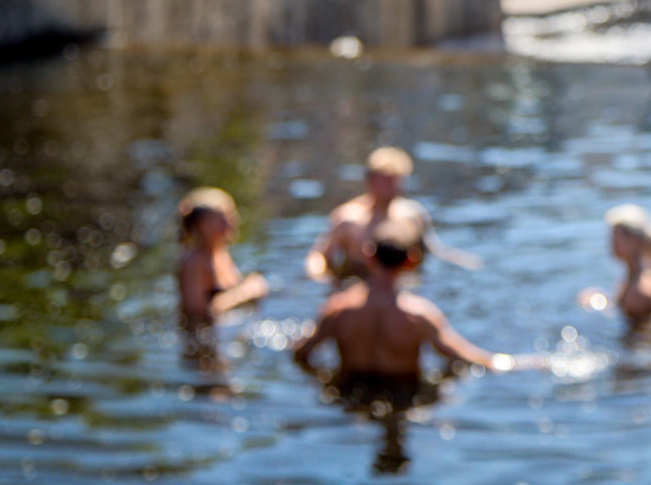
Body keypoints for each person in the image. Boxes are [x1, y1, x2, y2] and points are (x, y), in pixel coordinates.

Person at [292, 218, 504, 399]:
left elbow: (301, 353)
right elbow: (468, 358)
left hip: (349, 396)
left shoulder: (337, 310)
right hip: (404, 397)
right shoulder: (419, 317)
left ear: (369, 255)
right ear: (411, 261)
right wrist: (527, 363)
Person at [305, 146, 478, 282]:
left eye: (397, 179)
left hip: (400, 286)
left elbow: (433, 250)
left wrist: (465, 263)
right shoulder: (348, 219)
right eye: (386, 180)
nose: (392, 186)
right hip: (356, 286)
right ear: (371, 181)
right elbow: (319, 255)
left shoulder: (413, 215)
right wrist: (320, 277)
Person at [176, 187, 269, 329]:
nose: (231, 224)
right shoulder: (194, 263)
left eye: (231, 217)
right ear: (203, 225)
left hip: (226, 333)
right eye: (222, 220)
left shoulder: (221, 252)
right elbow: (197, 311)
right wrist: (246, 292)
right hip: (203, 346)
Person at [579, 204, 651, 327]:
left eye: (615, 239)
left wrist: (597, 305)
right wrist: (600, 298)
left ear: (634, 241)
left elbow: (630, 325)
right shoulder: (633, 274)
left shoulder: (641, 288)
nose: (611, 245)